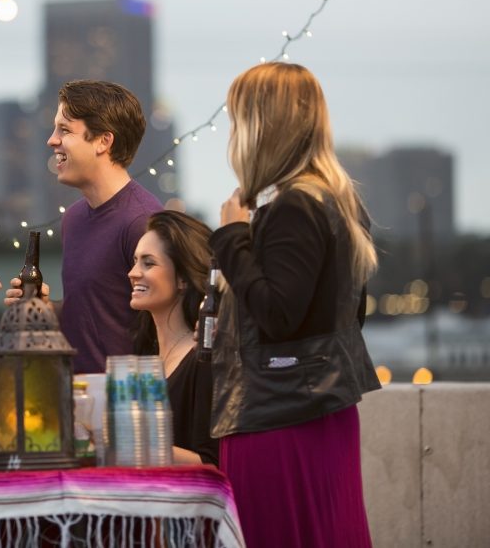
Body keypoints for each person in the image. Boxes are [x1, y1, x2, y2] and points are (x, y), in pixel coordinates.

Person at [210, 62, 380, 547]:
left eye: (239, 119)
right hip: (316, 412)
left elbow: (278, 313)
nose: (234, 133)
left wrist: (232, 237)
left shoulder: (293, 206)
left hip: (279, 419)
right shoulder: (335, 202)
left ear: (264, 125)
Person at [6, 80, 163, 373]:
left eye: (64, 130)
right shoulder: (74, 218)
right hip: (78, 396)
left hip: (127, 401)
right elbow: (100, 312)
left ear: (104, 141)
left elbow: (166, 326)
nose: (51, 140)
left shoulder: (143, 222)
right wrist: (46, 308)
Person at [128, 210, 218, 466]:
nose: (133, 272)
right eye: (135, 261)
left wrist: (134, 446)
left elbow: (212, 462)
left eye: (148, 263)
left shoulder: (205, 359)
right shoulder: (144, 354)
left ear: (182, 278)